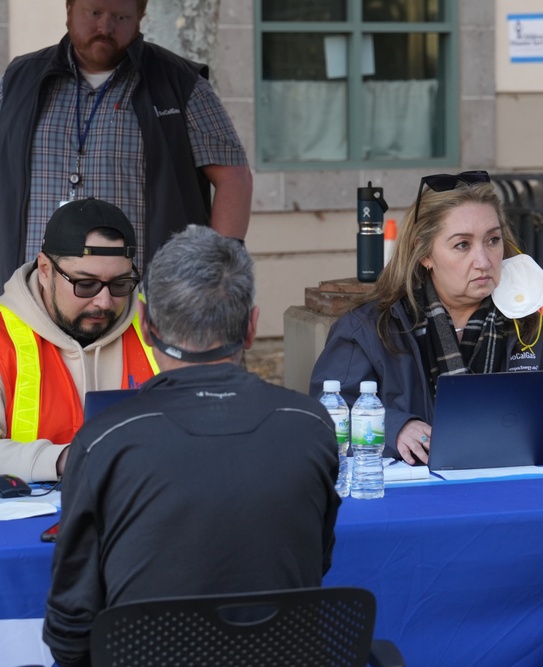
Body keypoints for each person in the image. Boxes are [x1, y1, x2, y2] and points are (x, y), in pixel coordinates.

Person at [43, 225, 340, 667]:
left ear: (145, 325)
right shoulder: (309, 426)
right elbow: (314, 563)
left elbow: (71, 629)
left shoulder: (106, 440)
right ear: (253, 325)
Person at [309, 170, 543, 465]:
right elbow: (324, 416)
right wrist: (395, 428)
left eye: (492, 240)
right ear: (425, 253)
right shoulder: (368, 329)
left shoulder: (530, 329)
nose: (483, 261)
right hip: (410, 500)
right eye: (462, 245)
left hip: (507, 493)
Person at [0, 0, 253, 287]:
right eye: (95, 13)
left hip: (143, 301)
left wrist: (217, 269)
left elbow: (234, 177)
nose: (105, 27)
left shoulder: (181, 84)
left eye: (121, 17)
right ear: (69, 8)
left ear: (140, 17)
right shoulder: (17, 80)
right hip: (30, 297)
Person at [0, 197, 156, 482]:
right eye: (86, 284)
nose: (104, 302)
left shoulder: (160, 326)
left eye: (121, 284)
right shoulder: (2, 337)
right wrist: (62, 459)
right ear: (45, 270)